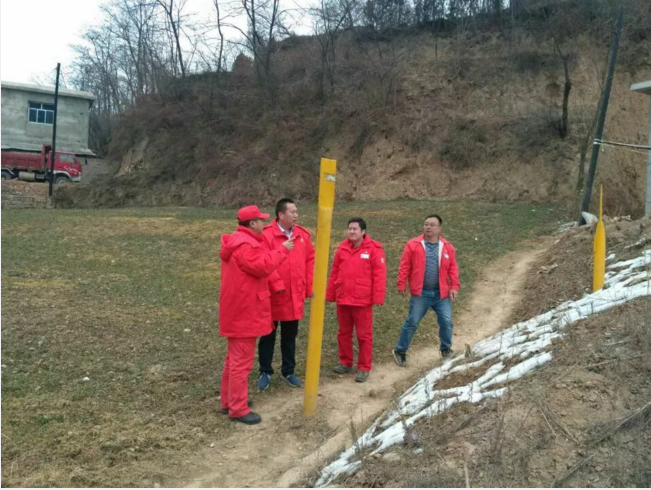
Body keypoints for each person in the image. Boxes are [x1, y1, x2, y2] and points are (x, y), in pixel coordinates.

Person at [219, 205, 294, 424]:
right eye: (261, 220)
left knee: (233, 359)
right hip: (244, 311)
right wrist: (283, 249)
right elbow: (262, 267)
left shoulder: (238, 242)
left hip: (238, 309)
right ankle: (238, 408)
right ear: (252, 224)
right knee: (240, 362)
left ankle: (229, 401)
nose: (265, 223)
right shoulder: (246, 245)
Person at [257, 198, 315, 390]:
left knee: (290, 336)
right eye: (292, 212)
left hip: (293, 295)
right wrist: (277, 284)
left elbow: (310, 261)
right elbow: (264, 262)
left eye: (297, 211)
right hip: (273, 296)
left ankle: (288, 371)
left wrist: (307, 287)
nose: (296, 215)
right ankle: (265, 370)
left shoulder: (303, 236)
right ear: (281, 215)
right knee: (268, 335)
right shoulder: (266, 235)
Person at [393, 214, 460, 367]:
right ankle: (400, 350)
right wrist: (401, 283)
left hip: (441, 294)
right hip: (421, 293)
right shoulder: (413, 244)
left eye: (432, 225)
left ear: (439, 229)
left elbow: (453, 268)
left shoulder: (447, 246)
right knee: (412, 321)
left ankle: (446, 349)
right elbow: (405, 265)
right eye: (426, 224)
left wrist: (454, 286)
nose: (428, 227)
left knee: (446, 321)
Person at [326, 218, 386, 383]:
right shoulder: (342, 248)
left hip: (362, 301)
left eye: (355, 229)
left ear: (363, 232)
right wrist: (330, 294)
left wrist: (377, 297)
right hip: (343, 299)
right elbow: (335, 271)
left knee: (364, 336)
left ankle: (364, 367)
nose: (351, 232)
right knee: (343, 333)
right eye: (349, 229)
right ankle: (345, 362)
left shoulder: (374, 249)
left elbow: (379, 275)